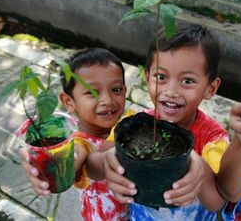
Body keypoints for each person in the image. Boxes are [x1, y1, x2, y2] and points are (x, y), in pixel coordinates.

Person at [87, 23, 229, 220]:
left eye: (187, 81)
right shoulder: (133, 126)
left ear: (211, 89)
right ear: (147, 77)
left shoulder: (213, 138)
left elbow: (217, 202)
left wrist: (199, 167)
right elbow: (92, 168)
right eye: (161, 77)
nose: (171, 91)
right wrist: (108, 161)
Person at [20, 48, 131, 221]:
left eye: (116, 90)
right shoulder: (78, 141)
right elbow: (76, 155)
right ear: (69, 102)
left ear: (125, 91)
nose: (107, 100)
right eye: (92, 92)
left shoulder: (130, 121)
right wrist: (46, 166)